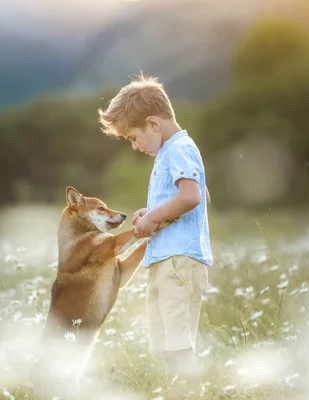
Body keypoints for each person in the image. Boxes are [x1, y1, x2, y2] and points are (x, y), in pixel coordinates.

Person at [98, 73, 212, 399]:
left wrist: (156, 216)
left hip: (179, 262)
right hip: (165, 260)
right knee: (163, 345)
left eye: (133, 138)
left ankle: (189, 395)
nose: (135, 146)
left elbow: (193, 196)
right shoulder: (170, 152)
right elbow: (198, 195)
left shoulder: (178, 149)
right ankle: (178, 393)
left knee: (177, 345)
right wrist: (151, 216)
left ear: (153, 124)